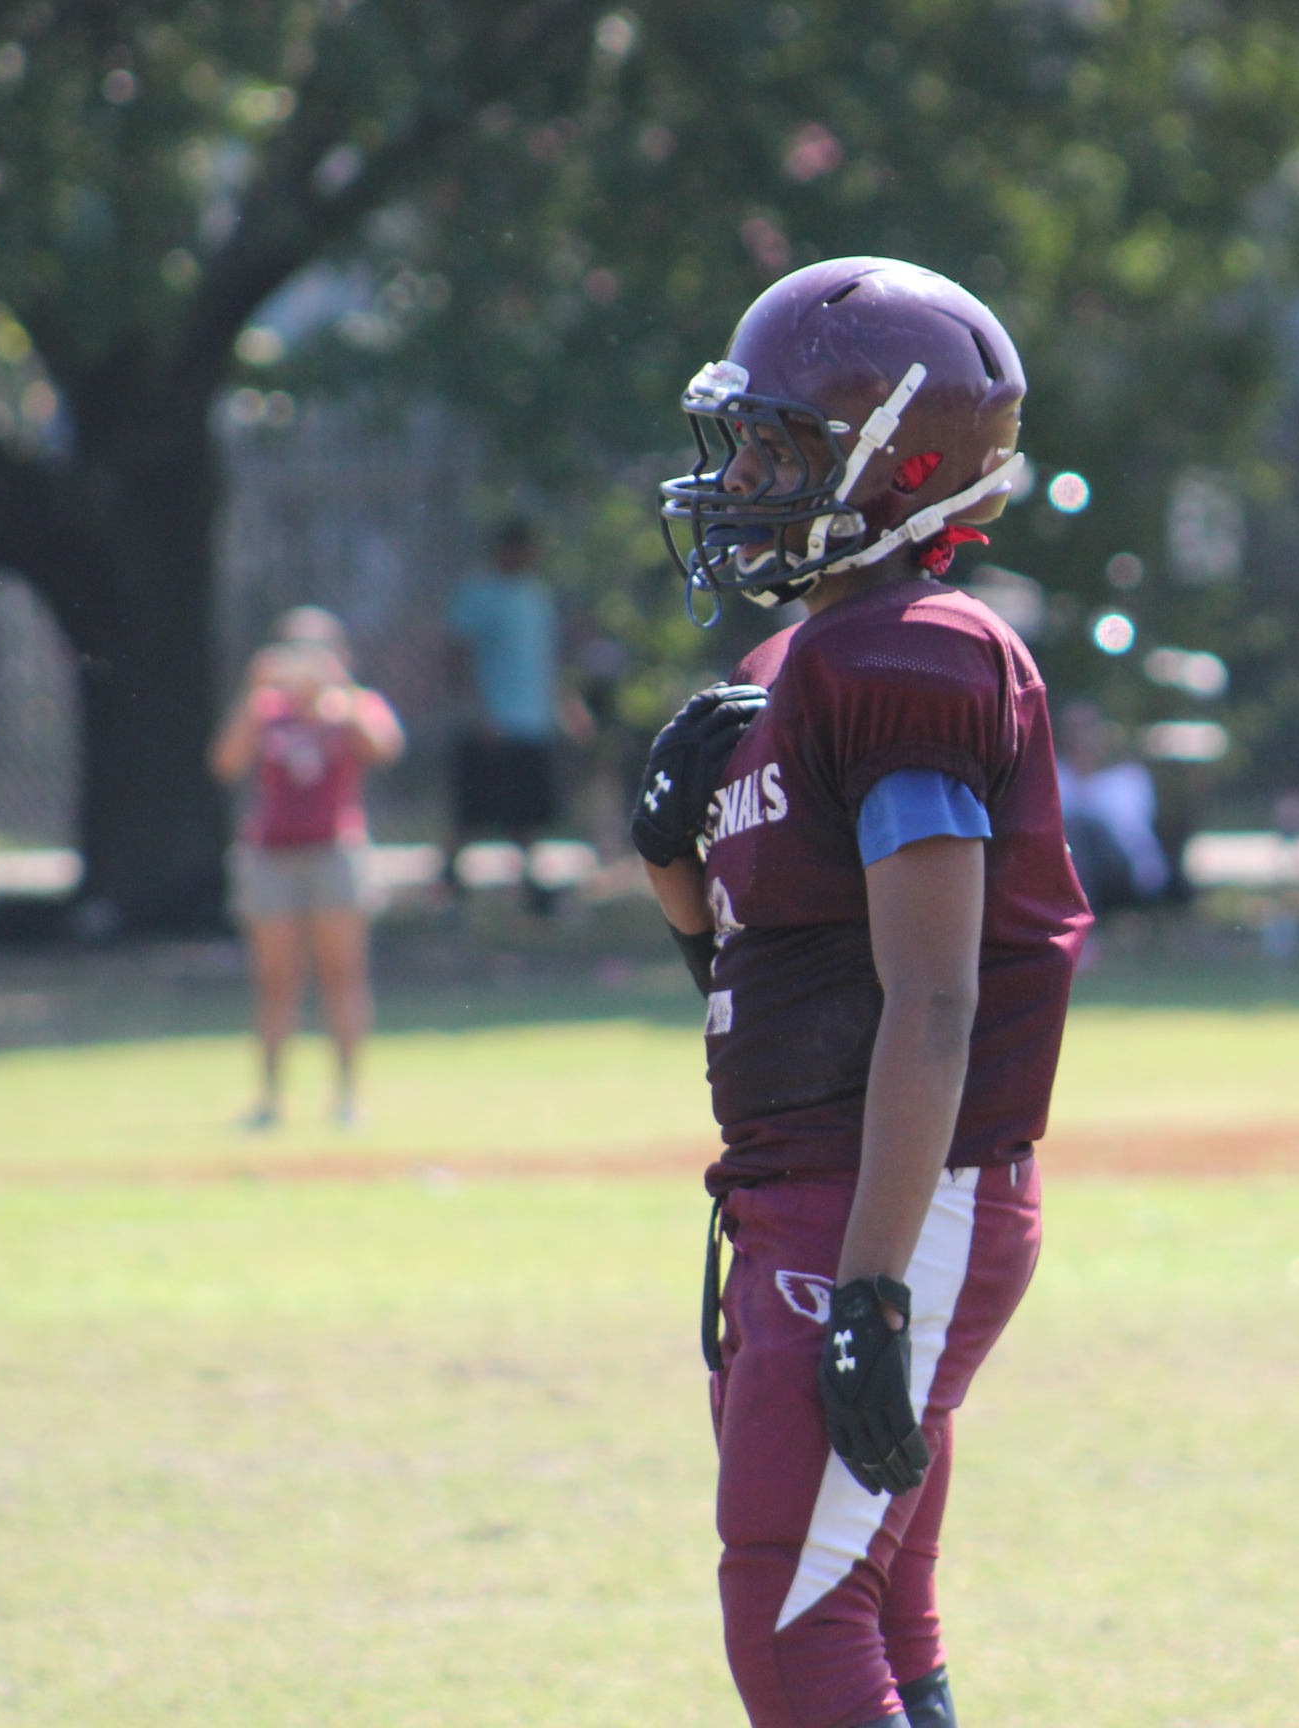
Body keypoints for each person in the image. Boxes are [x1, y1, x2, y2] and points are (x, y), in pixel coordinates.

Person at [633, 256, 1088, 1728]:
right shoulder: (799, 662)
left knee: (793, 1619)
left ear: (901, 466)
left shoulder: (912, 659)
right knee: (870, 1607)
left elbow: (934, 1000)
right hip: (815, 1183)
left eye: (777, 449)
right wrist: (673, 864)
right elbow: (764, 989)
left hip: (886, 1197)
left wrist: (875, 1287)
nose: (740, 481)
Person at [208, 639, 404, 1128]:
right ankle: (270, 1100)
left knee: (342, 975)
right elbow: (226, 762)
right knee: (275, 981)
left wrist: (340, 692)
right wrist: (253, 691)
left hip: (335, 850)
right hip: (272, 854)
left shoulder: (352, 706)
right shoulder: (265, 711)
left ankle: (348, 1097)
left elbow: (385, 748)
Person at [444, 517, 591, 916]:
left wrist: (567, 703)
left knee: (526, 811)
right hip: (492, 723)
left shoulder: (537, 597)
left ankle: (530, 885)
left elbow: (549, 658)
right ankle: (450, 884)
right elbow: (459, 657)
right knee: (472, 812)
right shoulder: (478, 594)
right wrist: (476, 711)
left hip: (532, 720)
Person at [1053, 698, 1171, 913]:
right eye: (1072, 728)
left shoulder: (1129, 778)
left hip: (1128, 873)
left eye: (1087, 727)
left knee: (1080, 828)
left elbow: (1130, 833)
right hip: (1069, 872)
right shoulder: (1054, 778)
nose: (1079, 736)